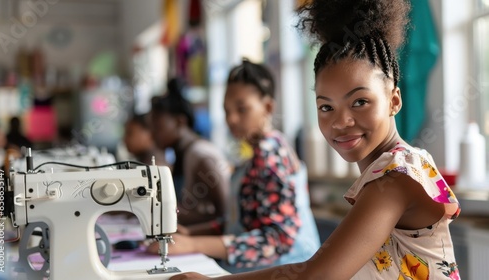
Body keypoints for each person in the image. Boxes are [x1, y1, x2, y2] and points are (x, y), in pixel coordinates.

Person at [169, 0, 461, 279]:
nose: (341, 121)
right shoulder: (391, 169)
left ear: (394, 100)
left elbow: (317, 275)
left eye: (360, 102)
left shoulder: (397, 178)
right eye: (326, 107)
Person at [148, 59, 320, 273]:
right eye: (227, 111)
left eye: (242, 109)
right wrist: (190, 233)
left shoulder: (270, 155)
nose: (232, 119)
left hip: (288, 272)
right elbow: (241, 223)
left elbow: (276, 240)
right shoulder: (255, 155)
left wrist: (193, 244)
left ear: (267, 107)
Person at [150, 77, 230, 234]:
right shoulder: (181, 154)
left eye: (157, 127)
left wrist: (169, 214)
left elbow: (225, 216)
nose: (153, 134)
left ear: (180, 122)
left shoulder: (201, 157)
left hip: (208, 247)